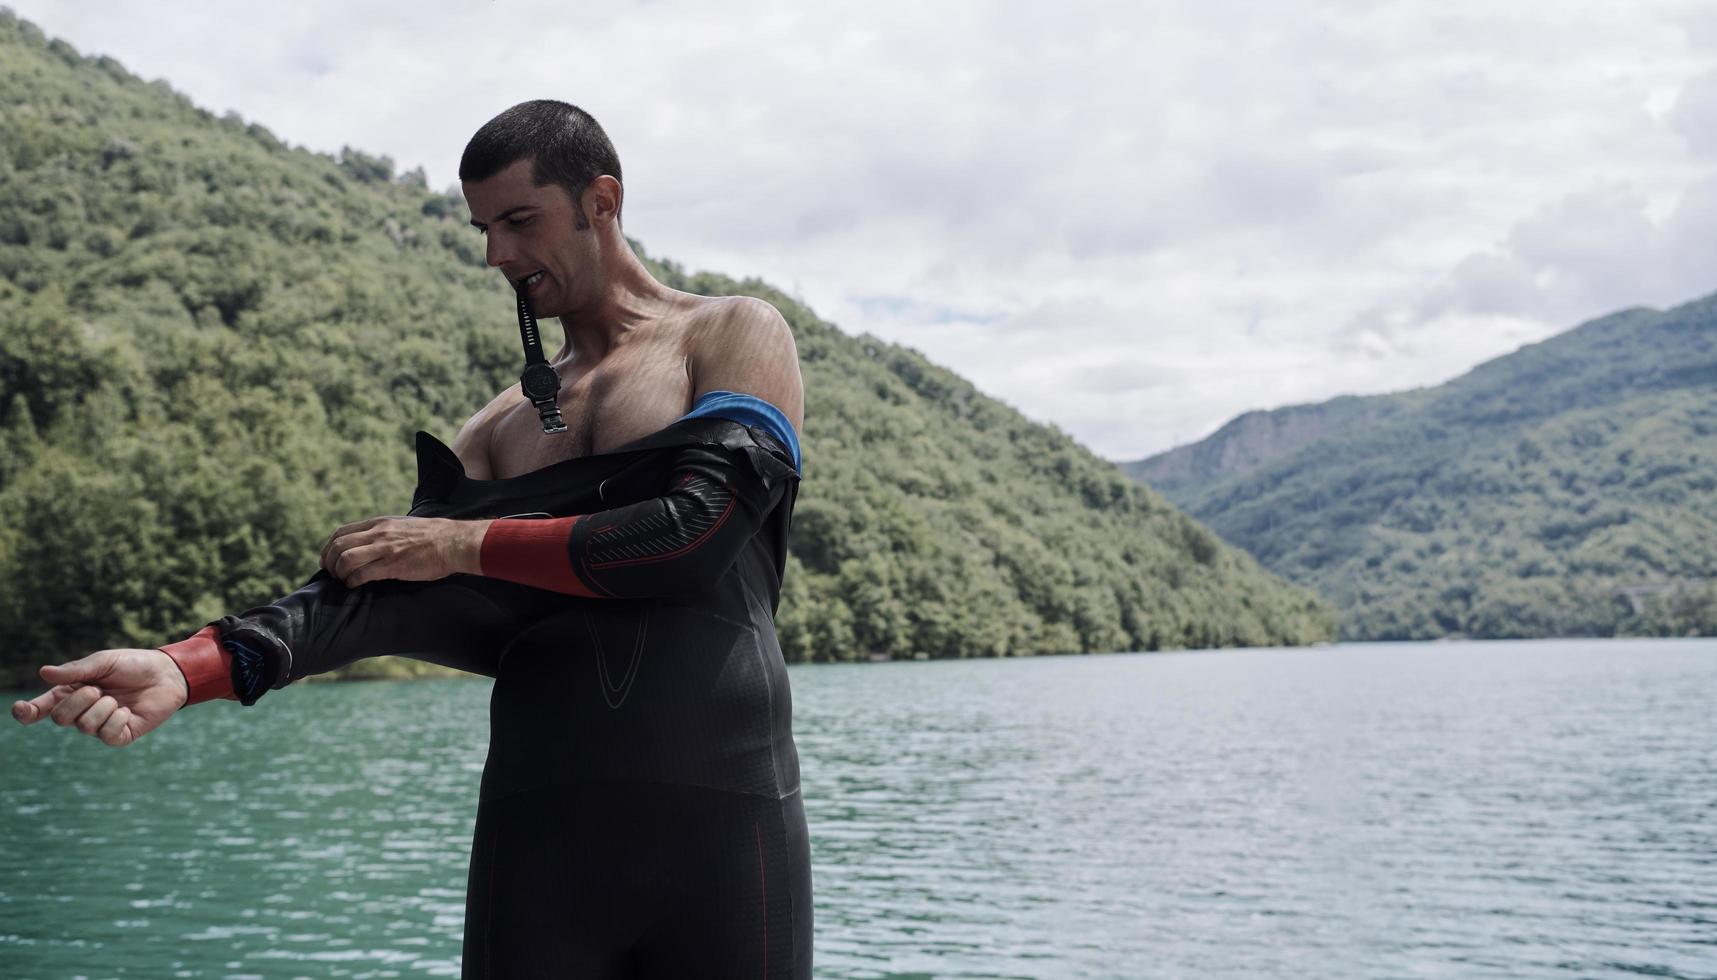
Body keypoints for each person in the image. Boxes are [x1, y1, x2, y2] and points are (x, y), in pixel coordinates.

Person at [9, 99, 812, 979]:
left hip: (729, 825)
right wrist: (187, 665)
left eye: (517, 221)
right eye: (481, 228)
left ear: (602, 201)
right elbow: (373, 594)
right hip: (537, 836)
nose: (494, 254)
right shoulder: (498, 428)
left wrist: (464, 544)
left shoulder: (729, 333)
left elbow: (694, 536)